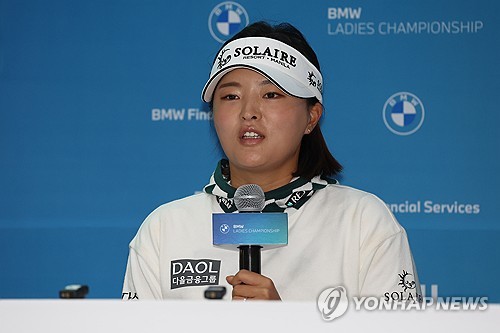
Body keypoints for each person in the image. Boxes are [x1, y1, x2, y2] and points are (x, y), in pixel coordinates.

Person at [122, 21, 421, 302]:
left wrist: (284, 322)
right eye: (230, 97)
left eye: (271, 94)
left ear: (311, 117)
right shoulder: (165, 229)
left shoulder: (364, 223)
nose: (249, 112)